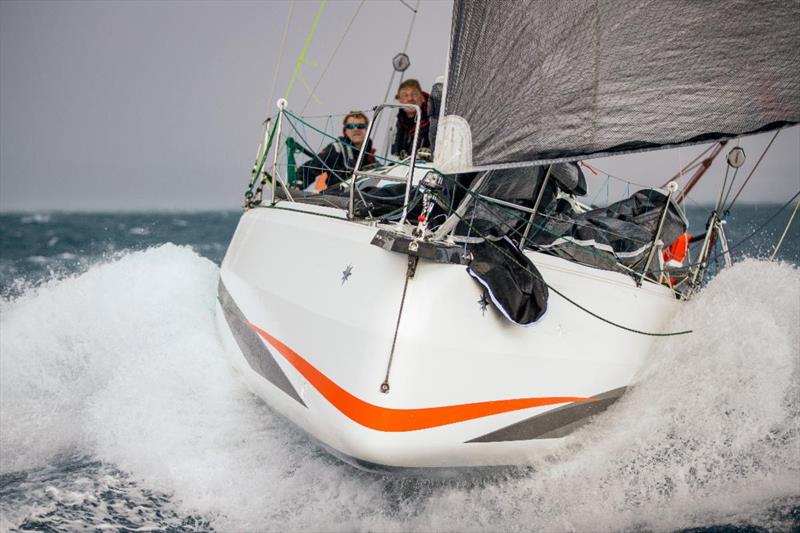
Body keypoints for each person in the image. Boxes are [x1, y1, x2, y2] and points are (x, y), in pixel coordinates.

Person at [297, 111, 376, 192]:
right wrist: (297, 185)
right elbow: (309, 169)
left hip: (362, 198)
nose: (355, 129)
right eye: (351, 126)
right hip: (337, 199)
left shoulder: (371, 158)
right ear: (345, 130)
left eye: (360, 126)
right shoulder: (336, 149)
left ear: (367, 129)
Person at [391, 79, 430, 158]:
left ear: (422, 98)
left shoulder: (433, 119)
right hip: (405, 166)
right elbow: (396, 154)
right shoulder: (400, 121)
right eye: (405, 95)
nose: (410, 99)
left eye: (414, 94)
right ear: (400, 100)